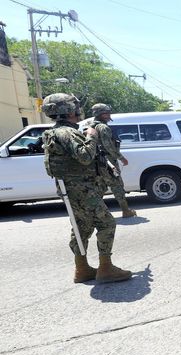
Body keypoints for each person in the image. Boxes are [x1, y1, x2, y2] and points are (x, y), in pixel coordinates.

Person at [41, 93, 132, 284]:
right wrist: (91, 137)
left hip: (75, 189)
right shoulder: (66, 132)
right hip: (82, 190)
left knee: (81, 226)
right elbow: (84, 156)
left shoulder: (57, 132)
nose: (78, 109)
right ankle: (106, 269)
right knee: (107, 223)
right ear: (67, 110)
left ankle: (81, 269)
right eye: (74, 106)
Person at [90, 103, 136, 218]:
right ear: (99, 114)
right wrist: (121, 158)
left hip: (96, 163)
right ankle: (126, 211)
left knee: (99, 188)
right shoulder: (103, 127)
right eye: (105, 113)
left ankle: (93, 214)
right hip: (108, 163)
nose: (108, 115)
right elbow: (109, 146)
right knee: (117, 186)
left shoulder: (91, 126)